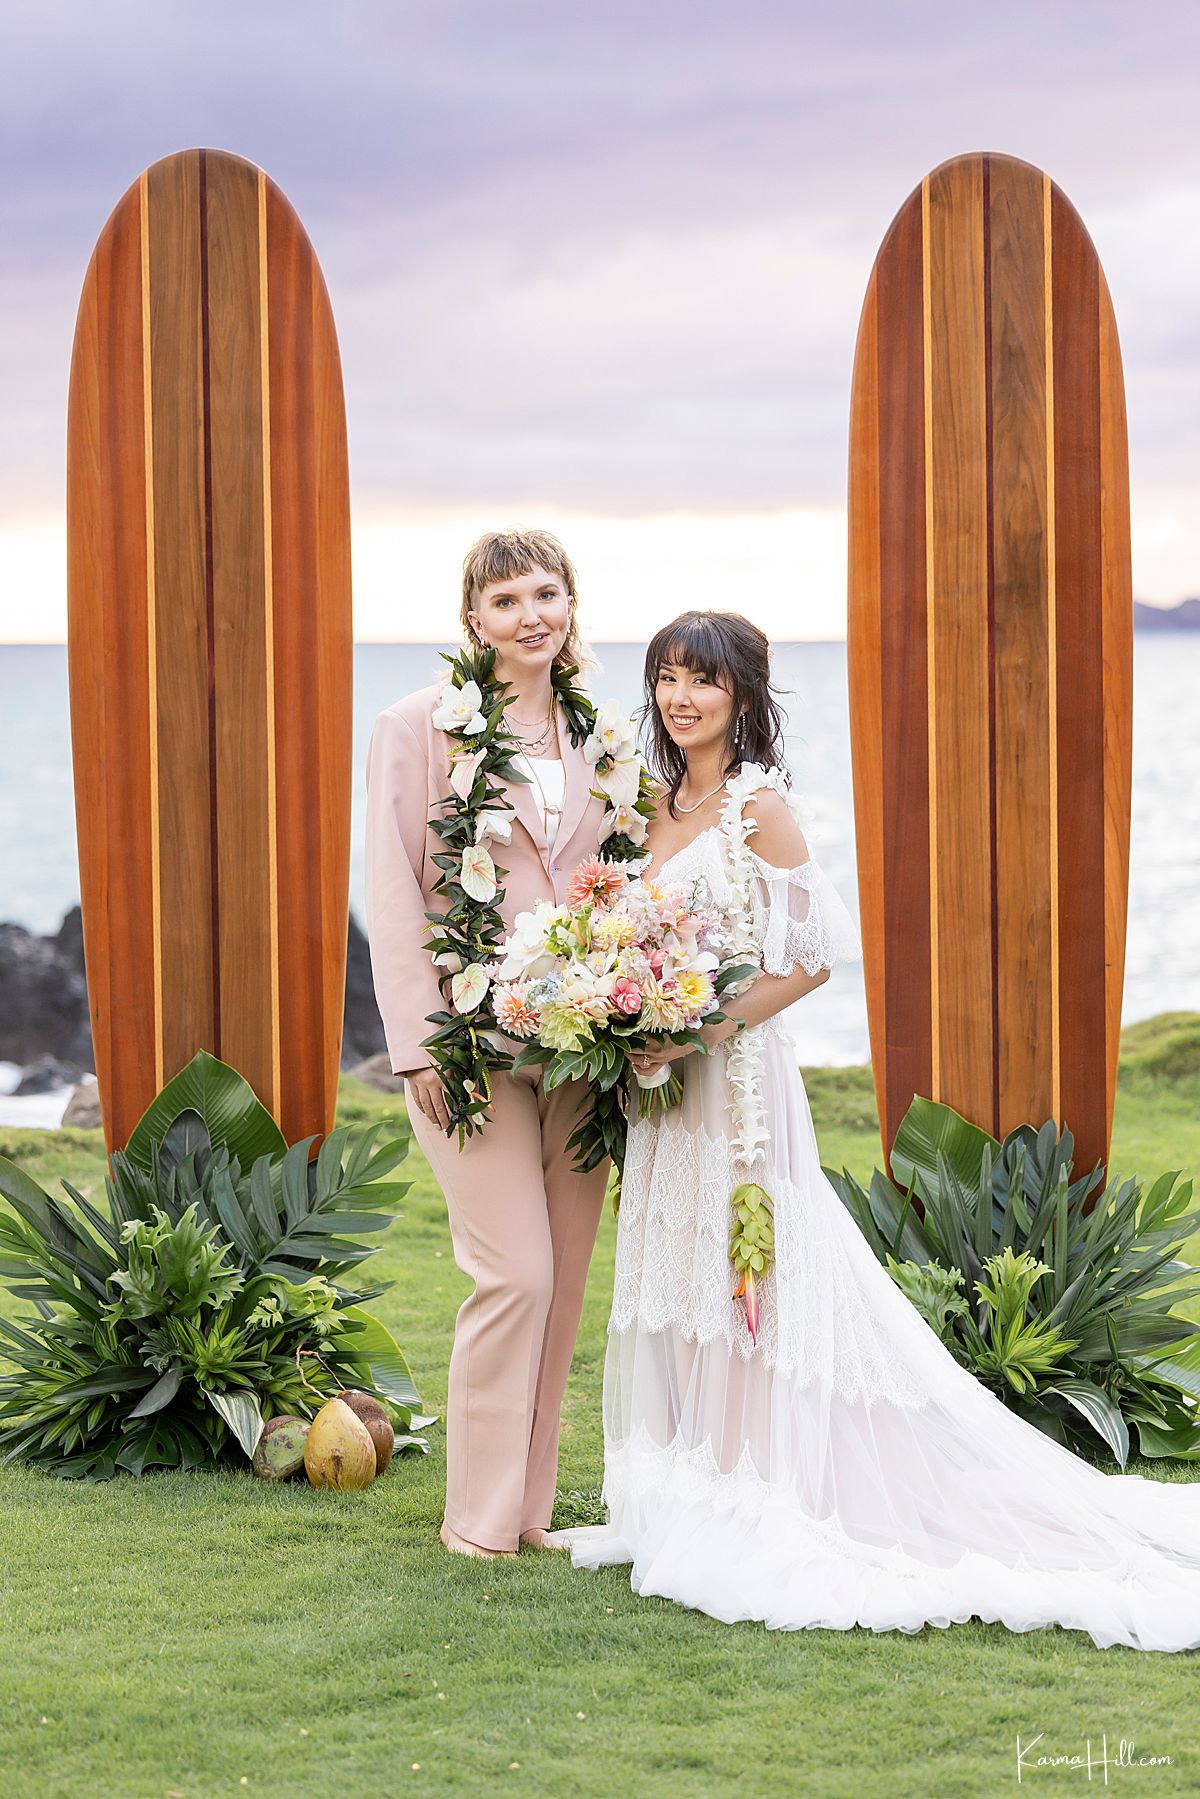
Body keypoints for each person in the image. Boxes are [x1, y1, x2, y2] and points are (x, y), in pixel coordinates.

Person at [559, 608, 1200, 1652]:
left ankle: (758, 1486)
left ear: (744, 695)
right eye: (668, 677)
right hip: (658, 1087)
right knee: (675, 1262)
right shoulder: (648, 801)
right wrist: (623, 1010)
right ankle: (685, 1486)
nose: (682, 698)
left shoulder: (758, 805)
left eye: (703, 681)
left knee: (745, 1258)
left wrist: (693, 1028)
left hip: (730, 1080)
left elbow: (809, 958)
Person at [365, 529, 611, 1559]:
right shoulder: (419, 727)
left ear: (569, 604)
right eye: (506, 600)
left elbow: (620, 876)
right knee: (512, 1273)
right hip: (469, 1047)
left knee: (562, 1279)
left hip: (582, 1042)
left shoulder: (599, 733)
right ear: (474, 619)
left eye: (546, 593)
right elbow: (392, 887)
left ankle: (528, 1508)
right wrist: (419, 1044)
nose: (530, 615)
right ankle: (474, 1522)